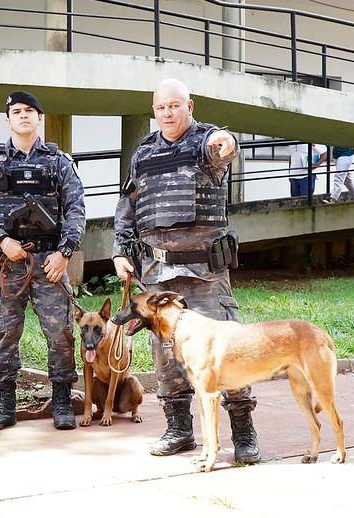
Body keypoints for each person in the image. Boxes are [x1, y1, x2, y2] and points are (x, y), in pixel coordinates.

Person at [112, 78, 260, 464]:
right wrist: (119, 252)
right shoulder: (143, 153)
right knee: (166, 355)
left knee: (227, 352)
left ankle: (243, 432)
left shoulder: (205, 142)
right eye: (161, 108)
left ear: (189, 106)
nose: (168, 114)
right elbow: (128, 207)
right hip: (157, 274)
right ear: (154, 111)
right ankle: (179, 430)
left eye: (174, 106)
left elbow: (223, 145)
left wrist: (226, 141)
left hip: (205, 275)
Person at [0, 91, 86, 431]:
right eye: (15, 111)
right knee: (5, 333)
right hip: (7, 263)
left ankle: (62, 401)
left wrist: (65, 252)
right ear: (7, 120)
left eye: (29, 111)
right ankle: (4, 404)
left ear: (39, 118)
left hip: (50, 262)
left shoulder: (58, 161)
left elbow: (76, 208)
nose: (22, 116)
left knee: (60, 332)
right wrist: (2, 240)